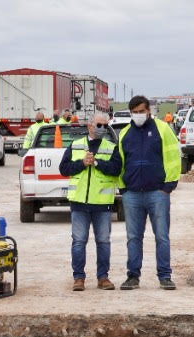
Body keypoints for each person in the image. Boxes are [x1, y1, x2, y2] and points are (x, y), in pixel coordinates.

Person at [116, 94, 182, 290]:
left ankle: (165, 276)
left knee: (161, 236)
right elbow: (120, 162)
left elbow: (173, 156)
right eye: (134, 113)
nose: (138, 115)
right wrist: (124, 188)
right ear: (130, 113)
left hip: (157, 193)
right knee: (133, 237)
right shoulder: (125, 133)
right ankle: (133, 276)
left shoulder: (162, 129)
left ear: (149, 111)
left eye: (141, 111)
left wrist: (168, 186)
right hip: (132, 194)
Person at [59, 112, 122, 291]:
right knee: (78, 241)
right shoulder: (76, 145)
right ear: (89, 126)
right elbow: (64, 169)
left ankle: (103, 278)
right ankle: (78, 278)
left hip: (102, 204)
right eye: (99, 125)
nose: (102, 128)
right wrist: (82, 163)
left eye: (105, 125)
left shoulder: (111, 147)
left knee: (103, 241)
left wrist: (97, 163)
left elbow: (116, 169)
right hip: (79, 203)